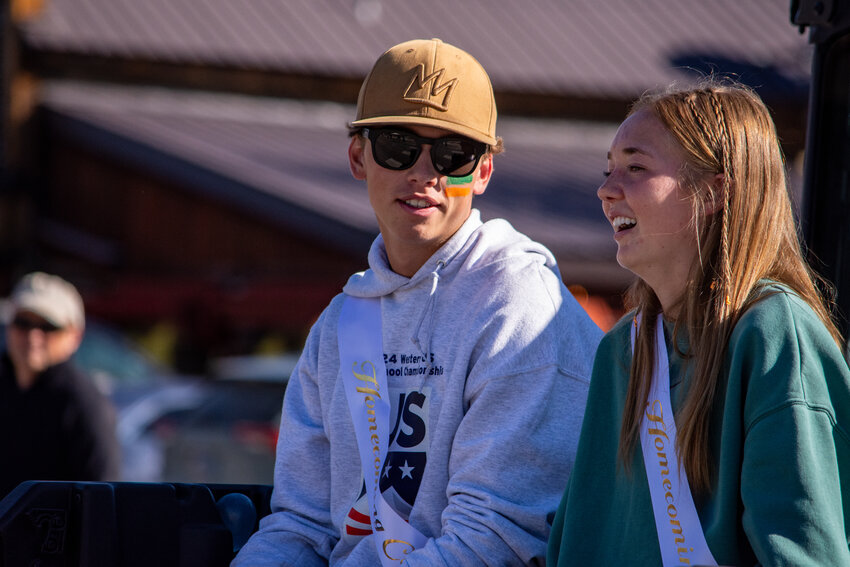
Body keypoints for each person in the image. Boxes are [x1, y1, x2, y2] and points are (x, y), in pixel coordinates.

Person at [233, 38, 602, 566]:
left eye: (453, 154)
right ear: (359, 157)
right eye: (398, 147)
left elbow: (494, 542)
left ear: (482, 172)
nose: (425, 173)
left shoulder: (520, 308)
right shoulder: (341, 321)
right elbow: (303, 525)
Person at [547, 80, 850, 566]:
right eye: (608, 169)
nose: (606, 190)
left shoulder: (773, 334)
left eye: (635, 167)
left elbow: (804, 551)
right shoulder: (622, 350)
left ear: (711, 192)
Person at [0, 271, 121, 499]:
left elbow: (102, 500)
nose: (33, 336)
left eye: (48, 326)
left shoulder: (83, 403)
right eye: (23, 322)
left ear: (75, 335)